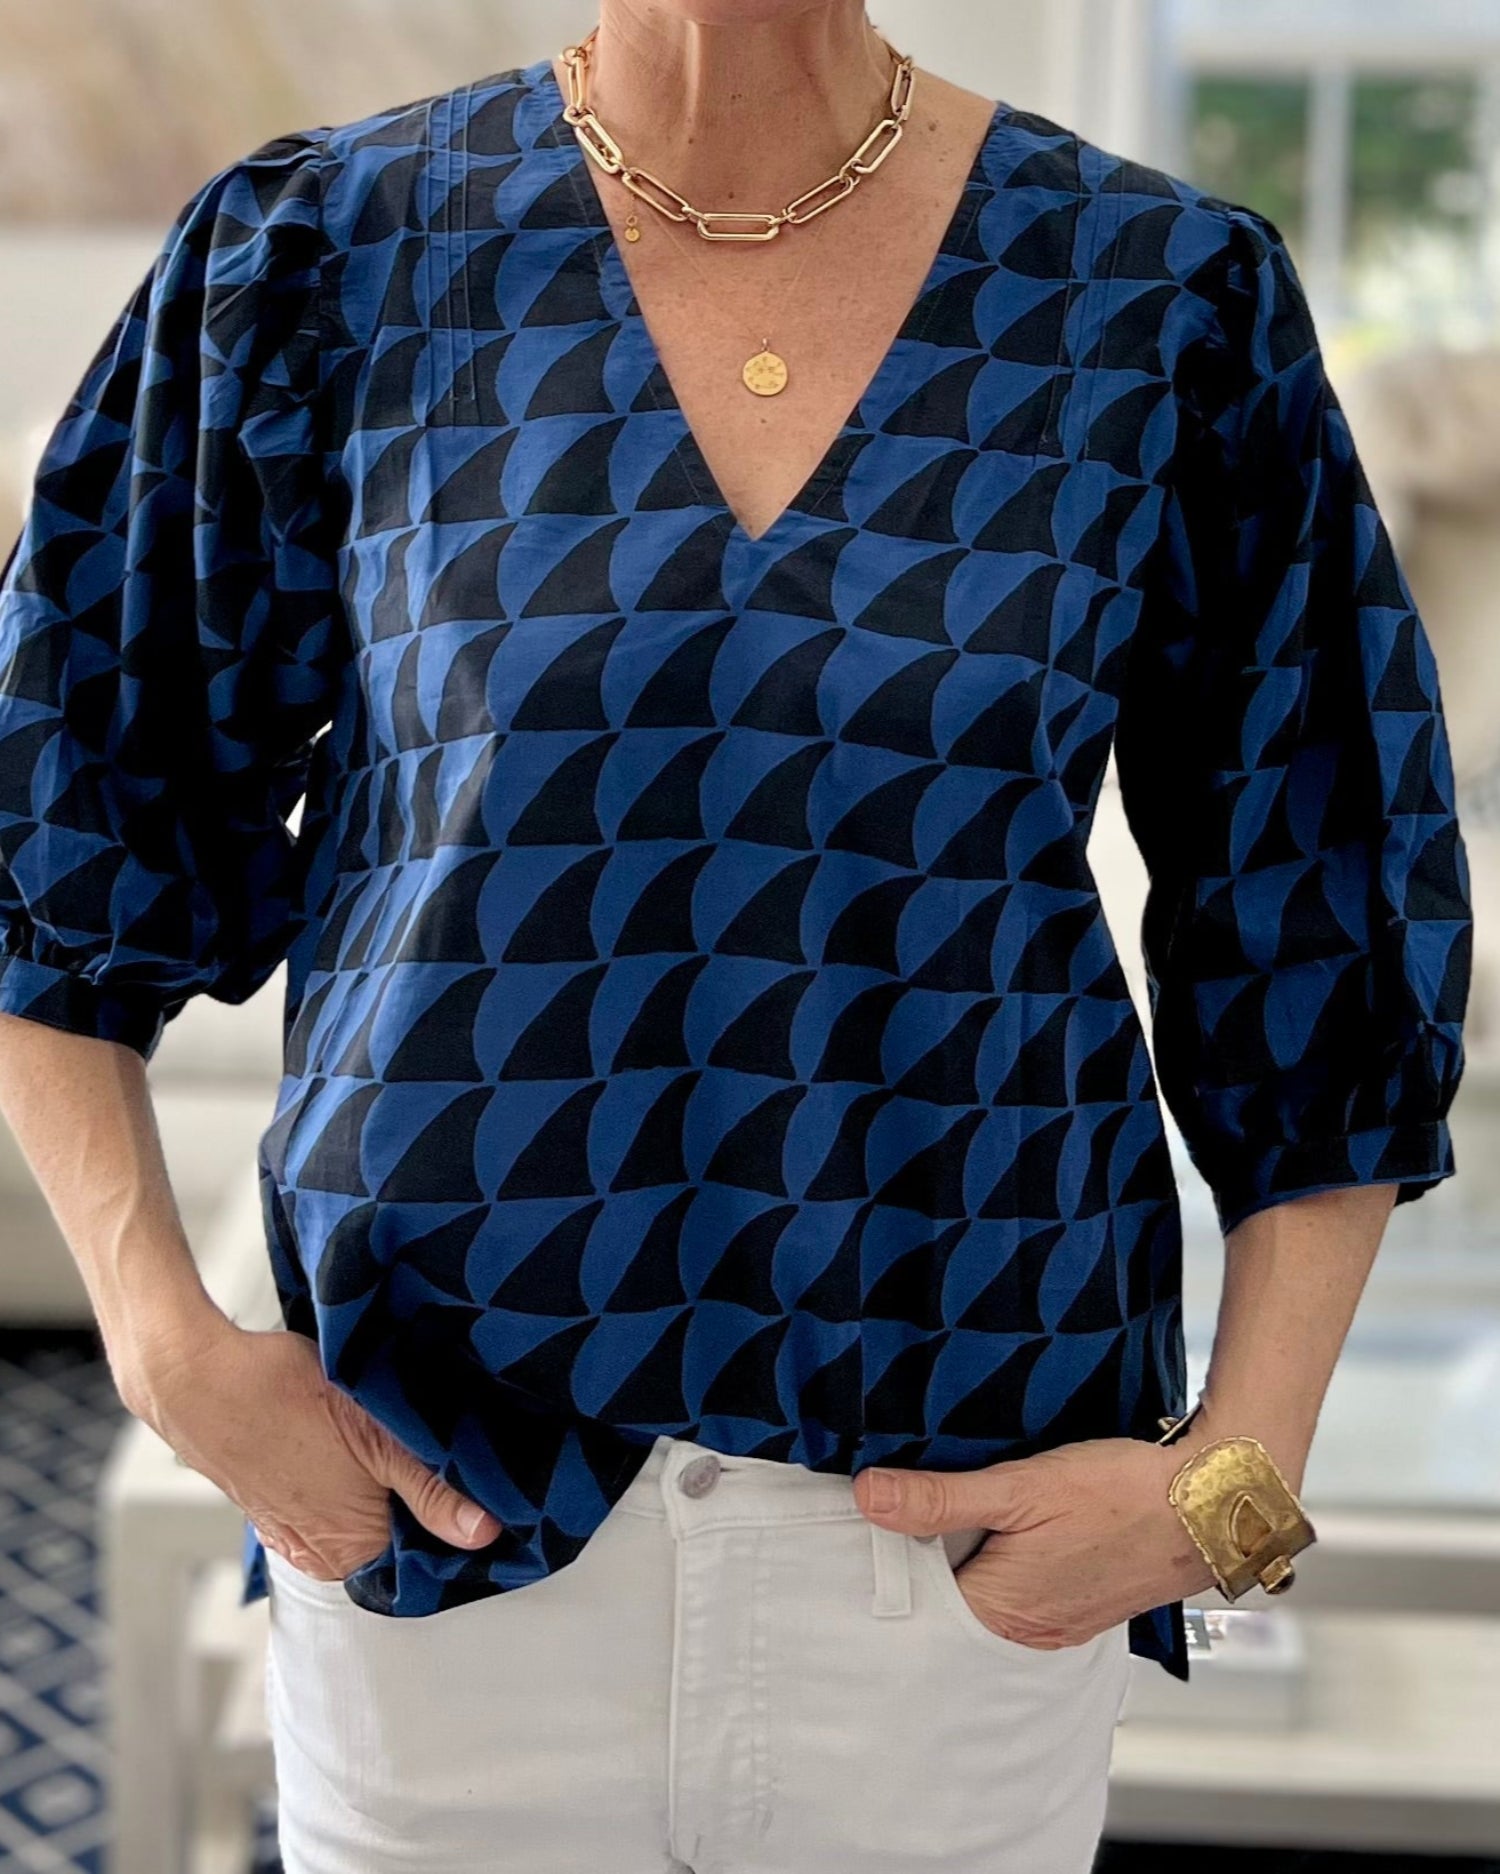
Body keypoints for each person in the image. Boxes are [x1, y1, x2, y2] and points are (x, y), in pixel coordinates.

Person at [0, 4, 1472, 1871]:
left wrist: (1238, 1476)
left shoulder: (1162, 298)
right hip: (452, 1540)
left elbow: (1330, 894)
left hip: (957, 1559)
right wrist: (161, 1346)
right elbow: (59, 804)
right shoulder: (327, 253)